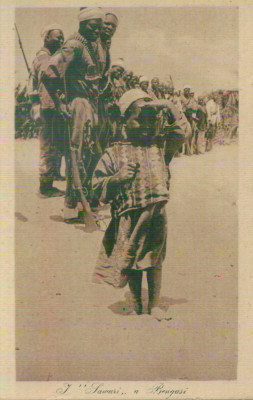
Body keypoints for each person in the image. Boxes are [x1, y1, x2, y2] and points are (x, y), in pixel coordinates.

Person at [92, 89, 189, 320]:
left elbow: (183, 131)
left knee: (154, 259)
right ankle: (136, 302)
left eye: (151, 119)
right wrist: (117, 178)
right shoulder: (114, 152)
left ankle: (154, 304)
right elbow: (96, 185)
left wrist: (169, 106)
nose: (147, 125)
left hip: (155, 215)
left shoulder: (160, 147)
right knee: (132, 260)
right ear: (125, 121)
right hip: (128, 218)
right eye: (139, 119)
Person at [42, 7, 107, 222]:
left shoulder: (94, 45)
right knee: (77, 155)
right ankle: (71, 206)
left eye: (99, 27)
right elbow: (49, 73)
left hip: (92, 105)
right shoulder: (74, 45)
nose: (96, 30)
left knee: (92, 154)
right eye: (92, 26)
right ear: (81, 24)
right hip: (78, 104)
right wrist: (60, 104)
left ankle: (82, 202)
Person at [29, 23, 65, 197]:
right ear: (46, 38)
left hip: (46, 106)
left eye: (62, 36)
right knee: (47, 146)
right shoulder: (44, 56)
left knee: (51, 145)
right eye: (57, 36)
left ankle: (50, 179)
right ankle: (45, 188)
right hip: (47, 107)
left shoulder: (46, 55)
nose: (61, 39)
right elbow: (48, 75)